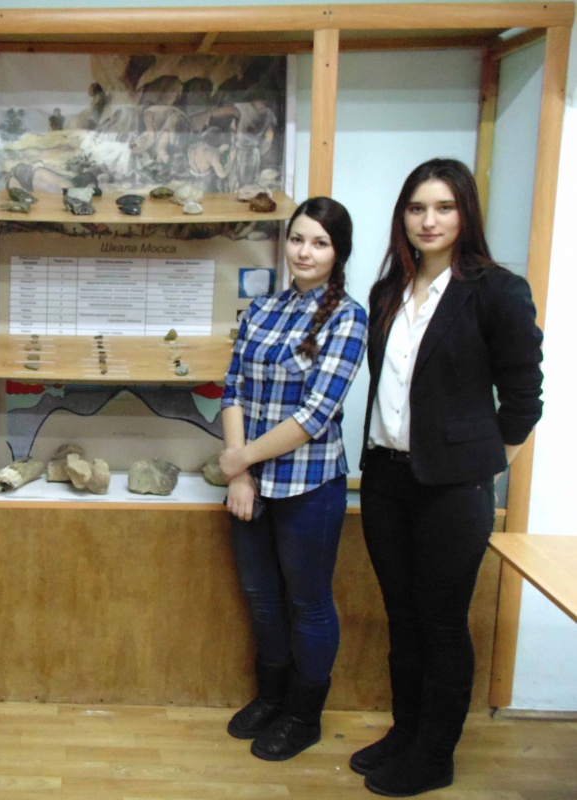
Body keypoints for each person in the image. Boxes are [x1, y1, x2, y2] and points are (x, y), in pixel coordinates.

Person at [354, 158, 543, 796]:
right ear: (402, 217)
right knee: (401, 617)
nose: (428, 220)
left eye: (443, 207)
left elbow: (523, 399)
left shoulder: (496, 291)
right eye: (417, 208)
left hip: (453, 490)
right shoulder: (389, 292)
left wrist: (484, 464)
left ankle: (435, 756)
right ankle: (406, 733)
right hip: (385, 478)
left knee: (440, 622)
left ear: (466, 214)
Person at [218, 197, 368, 761]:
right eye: (298, 239)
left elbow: (315, 414)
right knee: (262, 599)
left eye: (320, 243)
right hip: (249, 483)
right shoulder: (263, 308)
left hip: (310, 486)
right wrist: (240, 471)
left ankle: (303, 716)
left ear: (338, 253)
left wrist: (241, 459)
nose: (305, 252)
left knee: (308, 603)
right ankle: (272, 697)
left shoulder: (348, 317)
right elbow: (232, 388)